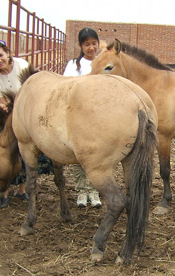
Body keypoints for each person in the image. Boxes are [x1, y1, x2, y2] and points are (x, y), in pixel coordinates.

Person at [0, 39, 53, 208]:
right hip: (11, 112)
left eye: (0, 55)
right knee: (5, 150)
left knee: (26, 150)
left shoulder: (21, 65)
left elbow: (34, 90)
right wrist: (8, 111)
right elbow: (1, 100)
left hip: (28, 110)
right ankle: (5, 192)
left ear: (8, 53)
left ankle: (22, 189)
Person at [63, 28, 102, 208]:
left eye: (94, 43)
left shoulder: (104, 63)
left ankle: (94, 190)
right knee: (79, 155)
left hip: (100, 116)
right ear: (80, 46)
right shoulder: (73, 65)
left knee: (99, 155)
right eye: (87, 44)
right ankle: (80, 191)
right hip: (78, 116)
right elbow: (66, 87)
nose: (91, 47)